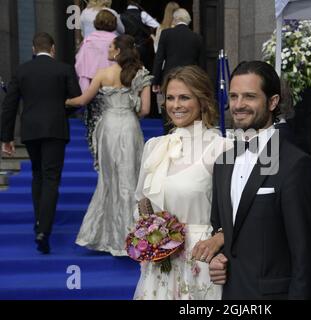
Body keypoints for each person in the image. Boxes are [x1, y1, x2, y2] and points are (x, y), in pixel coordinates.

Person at [208, 61, 311, 299]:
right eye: (234, 96)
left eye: (249, 96)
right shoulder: (222, 163)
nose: (238, 105)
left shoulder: (295, 165)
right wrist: (218, 257)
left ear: (273, 102)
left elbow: (307, 258)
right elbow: (222, 230)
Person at [133, 65, 231, 300]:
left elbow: (237, 212)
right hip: (158, 264)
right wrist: (148, 236)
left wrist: (221, 242)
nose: (175, 105)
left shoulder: (222, 148)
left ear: (202, 100)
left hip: (202, 260)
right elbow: (141, 202)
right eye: (170, 98)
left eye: (184, 97)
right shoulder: (154, 146)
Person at [66, 35, 151, 256]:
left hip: (109, 128)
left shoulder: (103, 74)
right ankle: (134, 238)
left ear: (117, 51)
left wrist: (62, 100)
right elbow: (145, 111)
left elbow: (83, 101)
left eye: (111, 47)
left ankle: (108, 238)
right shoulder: (140, 74)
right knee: (131, 178)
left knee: (109, 179)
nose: (108, 50)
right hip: (130, 127)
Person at [0, 32, 82, 254]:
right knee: (51, 178)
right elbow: (77, 99)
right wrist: (60, 111)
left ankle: (39, 223)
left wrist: (6, 138)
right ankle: (44, 230)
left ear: (34, 49)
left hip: (31, 130)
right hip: (55, 129)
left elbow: (9, 105)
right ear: (53, 48)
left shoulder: (22, 70)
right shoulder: (64, 69)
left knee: (38, 175)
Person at [152, 8, 206, 134]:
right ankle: (188, 130)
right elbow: (201, 64)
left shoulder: (166, 33)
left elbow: (159, 59)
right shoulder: (197, 37)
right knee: (187, 104)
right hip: (190, 79)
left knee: (170, 105)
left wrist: (156, 81)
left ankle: (169, 134)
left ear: (174, 20)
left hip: (169, 78)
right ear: (189, 21)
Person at [75, 9, 118, 92]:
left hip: (89, 86)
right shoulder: (116, 41)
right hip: (111, 86)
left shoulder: (88, 41)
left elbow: (79, 64)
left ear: (95, 22)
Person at [121, 0, 160, 72]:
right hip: (141, 48)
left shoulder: (120, 16)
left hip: (126, 48)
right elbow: (158, 26)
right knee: (142, 70)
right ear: (139, 2)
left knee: (126, 69)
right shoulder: (143, 14)